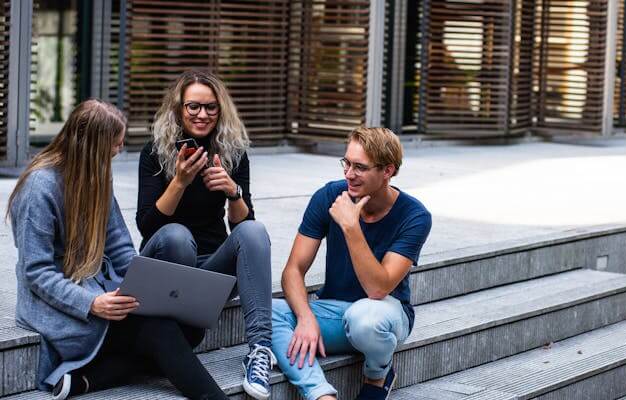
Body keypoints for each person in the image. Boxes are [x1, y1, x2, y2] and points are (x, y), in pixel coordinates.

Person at [8, 99, 229, 400]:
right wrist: (92, 303)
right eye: (115, 144)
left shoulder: (97, 176)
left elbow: (121, 247)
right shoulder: (40, 187)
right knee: (159, 330)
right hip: (61, 305)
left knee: (190, 330)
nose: (119, 150)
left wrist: (148, 286)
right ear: (92, 146)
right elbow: (37, 272)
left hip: (102, 291)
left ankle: (90, 378)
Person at [136, 70, 274, 399]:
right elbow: (147, 226)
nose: (202, 115)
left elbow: (243, 231)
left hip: (210, 270)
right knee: (177, 236)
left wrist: (233, 192)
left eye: (211, 107)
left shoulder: (232, 151)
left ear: (221, 110)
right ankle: (174, 339)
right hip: (166, 264)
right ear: (179, 109)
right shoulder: (155, 152)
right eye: (193, 106)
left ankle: (260, 352)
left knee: (255, 231)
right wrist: (180, 181)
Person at [271, 127, 432, 400]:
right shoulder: (329, 196)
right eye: (346, 163)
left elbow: (378, 289)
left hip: (385, 317)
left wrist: (351, 226)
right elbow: (293, 270)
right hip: (334, 311)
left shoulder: (414, 215)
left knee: (365, 318)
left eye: (360, 167)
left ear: (387, 171)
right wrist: (306, 317)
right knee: (266, 311)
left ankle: (377, 377)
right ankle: (321, 395)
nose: (348, 174)